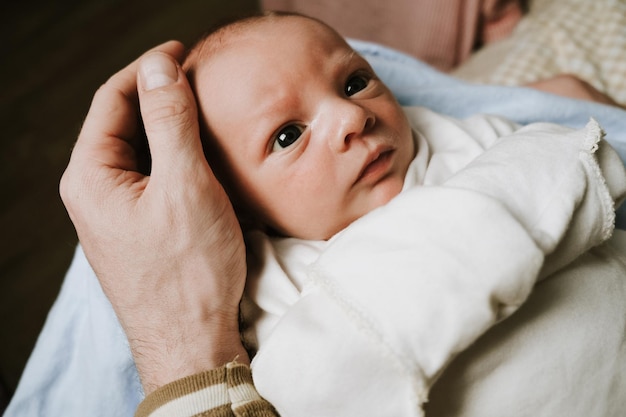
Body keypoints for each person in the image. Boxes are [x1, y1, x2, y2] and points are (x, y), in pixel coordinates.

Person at [59, 11, 626, 417]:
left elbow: (571, 158)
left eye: (355, 81)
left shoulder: (453, 141)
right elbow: (303, 389)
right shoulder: (272, 286)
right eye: (287, 135)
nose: (349, 116)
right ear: (237, 207)